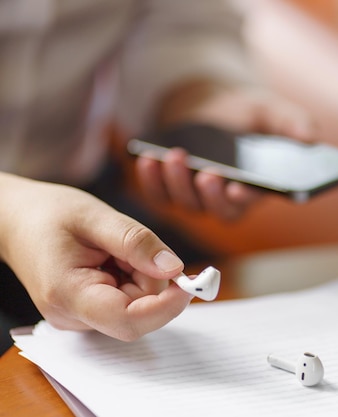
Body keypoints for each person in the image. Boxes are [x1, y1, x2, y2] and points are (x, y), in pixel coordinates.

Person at [0, 0, 316, 353]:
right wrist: (10, 210)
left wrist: (197, 100)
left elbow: (183, 22)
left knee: (246, 328)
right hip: (29, 205)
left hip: (81, 193)